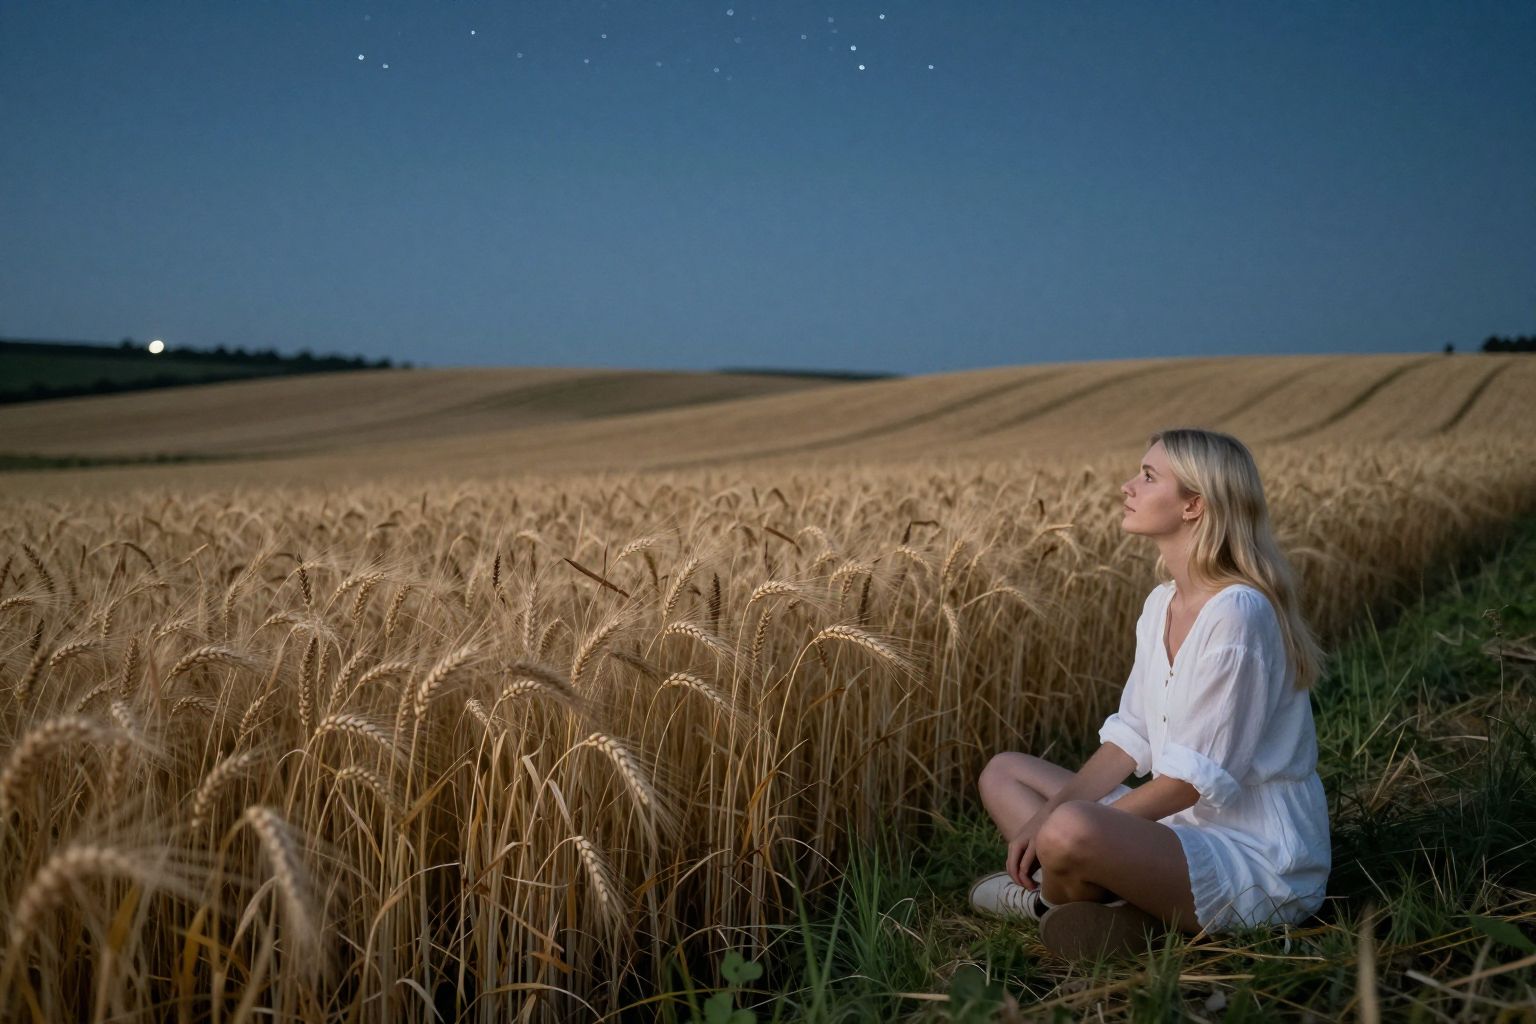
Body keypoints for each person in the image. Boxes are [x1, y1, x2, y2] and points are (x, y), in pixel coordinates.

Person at [968, 428, 1331, 960]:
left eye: (1148, 476)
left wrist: (1058, 826)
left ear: (1193, 505)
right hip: (1176, 828)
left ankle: (1055, 902)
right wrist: (1052, 815)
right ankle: (1123, 910)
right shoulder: (1162, 603)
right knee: (1004, 772)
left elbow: (1188, 784)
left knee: (1067, 828)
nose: (1127, 486)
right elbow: (1129, 739)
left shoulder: (1238, 613)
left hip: (1253, 854)